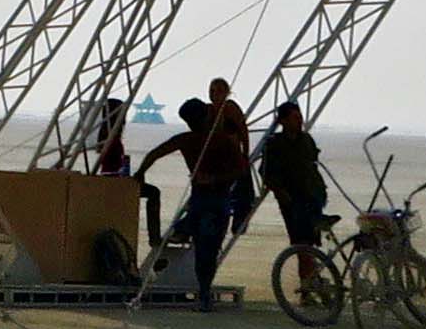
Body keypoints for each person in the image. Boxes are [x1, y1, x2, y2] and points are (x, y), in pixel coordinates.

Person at [141, 77, 255, 299]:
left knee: (208, 243)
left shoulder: (222, 123)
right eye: (211, 90)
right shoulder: (194, 138)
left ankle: (202, 288)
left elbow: (242, 137)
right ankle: (202, 289)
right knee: (206, 246)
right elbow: (156, 153)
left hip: (214, 194)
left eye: (218, 90)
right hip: (207, 198)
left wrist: (241, 156)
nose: (214, 94)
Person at [260, 94, 331, 270]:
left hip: (312, 196)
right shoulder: (275, 144)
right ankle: (307, 287)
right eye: (295, 118)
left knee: (310, 243)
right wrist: (280, 192)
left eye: (300, 117)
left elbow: (312, 164)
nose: (299, 121)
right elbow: (266, 172)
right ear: (283, 121)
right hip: (292, 200)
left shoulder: (306, 140)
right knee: (301, 245)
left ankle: (312, 281)